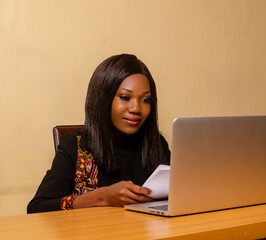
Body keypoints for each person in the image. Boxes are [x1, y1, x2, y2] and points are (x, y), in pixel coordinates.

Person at [27, 54, 170, 213]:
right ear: (103, 100)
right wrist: (102, 197)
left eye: (145, 100)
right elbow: (37, 208)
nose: (136, 108)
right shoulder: (76, 148)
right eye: (125, 97)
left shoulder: (158, 145)